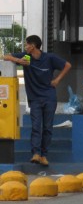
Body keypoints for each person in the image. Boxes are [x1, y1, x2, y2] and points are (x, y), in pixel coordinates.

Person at [3, 35, 72, 167]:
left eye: (26, 45)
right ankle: (35, 153)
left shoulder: (49, 58)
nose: (25, 47)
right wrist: (18, 60)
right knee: (36, 126)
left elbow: (68, 65)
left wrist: (57, 80)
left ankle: (44, 155)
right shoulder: (26, 57)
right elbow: (5, 56)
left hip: (49, 97)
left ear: (32, 46)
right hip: (34, 98)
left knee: (47, 128)